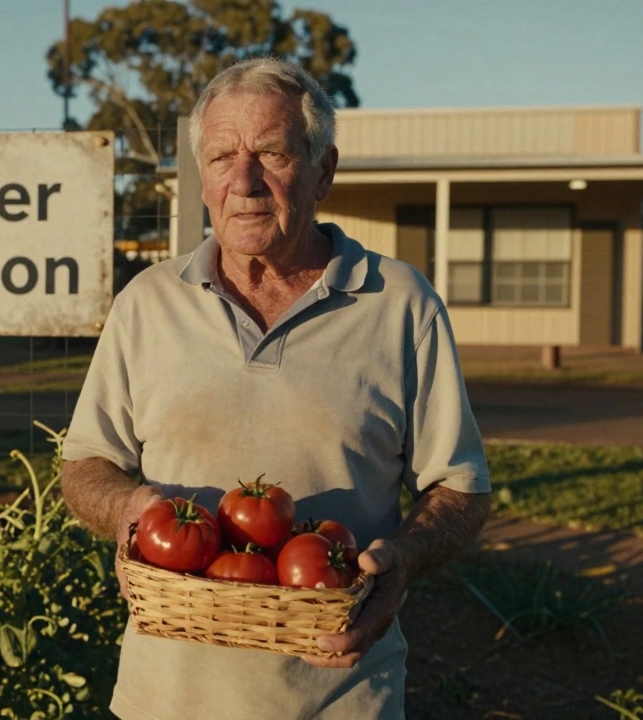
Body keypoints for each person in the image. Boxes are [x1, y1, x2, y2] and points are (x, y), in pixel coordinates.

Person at [58, 56, 492, 720]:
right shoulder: (147, 303)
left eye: (272, 153)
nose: (245, 181)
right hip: (161, 701)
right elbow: (85, 464)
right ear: (201, 177)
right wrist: (128, 512)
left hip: (341, 697)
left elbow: (460, 489)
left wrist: (400, 560)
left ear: (324, 170)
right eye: (222, 156)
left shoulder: (400, 304)